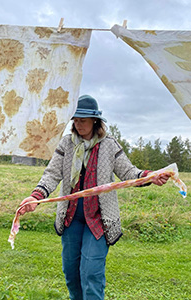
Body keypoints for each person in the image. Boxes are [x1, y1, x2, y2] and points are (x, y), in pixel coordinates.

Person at [19, 95, 170, 300]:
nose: (78, 124)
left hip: (98, 218)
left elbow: (128, 172)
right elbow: (52, 173)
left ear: (95, 121)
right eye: (76, 120)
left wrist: (150, 177)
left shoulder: (109, 145)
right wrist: (35, 196)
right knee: (72, 275)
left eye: (83, 120)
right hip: (71, 217)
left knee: (91, 274)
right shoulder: (66, 144)